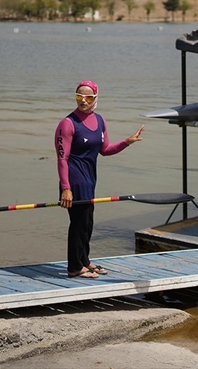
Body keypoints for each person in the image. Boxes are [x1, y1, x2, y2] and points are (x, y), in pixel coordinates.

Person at [55, 80, 145, 278]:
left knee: (87, 224)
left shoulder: (100, 121)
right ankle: (74, 267)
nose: (83, 100)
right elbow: (62, 159)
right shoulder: (67, 124)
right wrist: (66, 188)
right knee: (78, 224)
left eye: (88, 97)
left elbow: (105, 150)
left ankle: (84, 261)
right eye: (79, 96)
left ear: (95, 98)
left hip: (90, 180)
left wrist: (127, 142)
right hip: (74, 181)